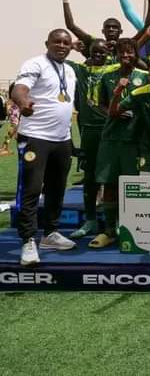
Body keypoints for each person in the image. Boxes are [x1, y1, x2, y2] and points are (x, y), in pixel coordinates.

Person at [13, 28, 78, 266]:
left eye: (66, 42)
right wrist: (23, 102)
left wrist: (70, 140)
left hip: (61, 140)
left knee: (57, 188)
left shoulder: (69, 70)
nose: (61, 45)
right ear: (47, 43)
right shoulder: (36, 64)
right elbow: (19, 88)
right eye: (57, 41)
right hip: (35, 138)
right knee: (30, 189)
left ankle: (50, 233)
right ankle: (28, 239)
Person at [91, 38, 148, 248]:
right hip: (112, 137)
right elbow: (101, 105)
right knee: (110, 183)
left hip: (135, 139)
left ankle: (131, 228)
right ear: (116, 55)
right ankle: (109, 229)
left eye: (130, 52)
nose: (126, 56)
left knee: (132, 186)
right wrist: (114, 113)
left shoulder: (145, 77)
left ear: (136, 54)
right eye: (122, 53)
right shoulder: (107, 77)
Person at [66, 39, 115, 240]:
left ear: (109, 53)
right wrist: (70, 47)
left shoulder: (114, 69)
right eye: (95, 51)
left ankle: (114, 222)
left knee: (112, 176)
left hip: (111, 130)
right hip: (89, 132)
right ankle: (90, 219)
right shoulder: (81, 70)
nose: (98, 55)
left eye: (102, 52)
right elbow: (62, 60)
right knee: (90, 177)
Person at [62, 0, 150, 60]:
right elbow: (71, 26)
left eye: (114, 27)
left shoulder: (127, 45)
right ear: (103, 31)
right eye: (108, 27)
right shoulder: (94, 43)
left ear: (121, 31)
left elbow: (146, 28)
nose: (111, 29)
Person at [0, 84, 20, 156]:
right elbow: (8, 111)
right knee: (11, 134)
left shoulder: (16, 99)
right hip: (14, 119)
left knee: (12, 134)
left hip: (17, 119)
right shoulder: (11, 100)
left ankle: (4, 148)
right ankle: (4, 148)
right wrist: (10, 111)